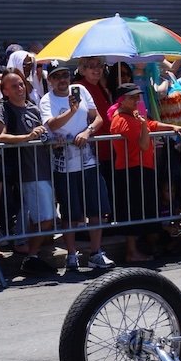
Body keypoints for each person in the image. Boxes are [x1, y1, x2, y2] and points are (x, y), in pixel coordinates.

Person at [39, 62, 115, 270]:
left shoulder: (81, 90)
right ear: (50, 80)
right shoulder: (47, 99)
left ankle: (96, 252)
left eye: (65, 74)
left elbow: (98, 117)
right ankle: (71, 255)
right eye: (57, 76)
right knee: (71, 213)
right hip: (65, 164)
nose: (62, 79)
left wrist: (88, 131)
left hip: (88, 159)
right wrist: (72, 111)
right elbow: (52, 124)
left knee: (96, 209)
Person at [110, 83, 181, 262]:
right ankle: (131, 251)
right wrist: (144, 125)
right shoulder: (122, 119)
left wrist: (171, 127)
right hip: (131, 169)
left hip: (142, 168)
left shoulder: (133, 116)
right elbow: (143, 143)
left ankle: (147, 248)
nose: (137, 100)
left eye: (138, 96)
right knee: (132, 212)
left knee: (143, 210)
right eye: (132, 97)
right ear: (121, 100)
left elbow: (151, 124)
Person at [0, 71, 56, 275]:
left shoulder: (33, 108)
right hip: (26, 171)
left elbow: (42, 134)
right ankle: (31, 255)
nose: (19, 89)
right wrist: (27, 136)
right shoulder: (3, 108)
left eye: (21, 84)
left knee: (43, 218)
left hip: (44, 167)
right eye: (13, 86)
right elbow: (0, 136)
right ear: (4, 91)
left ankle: (31, 255)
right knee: (45, 218)